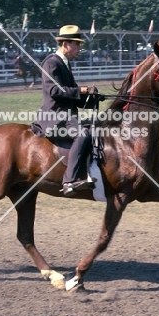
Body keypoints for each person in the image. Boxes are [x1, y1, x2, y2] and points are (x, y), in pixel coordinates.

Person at [31, 25, 100, 197]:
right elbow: (55, 91)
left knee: (96, 128)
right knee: (82, 134)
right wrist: (81, 91)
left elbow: (71, 95)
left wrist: (91, 98)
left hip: (67, 116)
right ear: (66, 44)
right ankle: (70, 181)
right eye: (77, 44)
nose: (79, 48)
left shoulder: (65, 64)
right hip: (54, 118)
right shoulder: (51, 63)